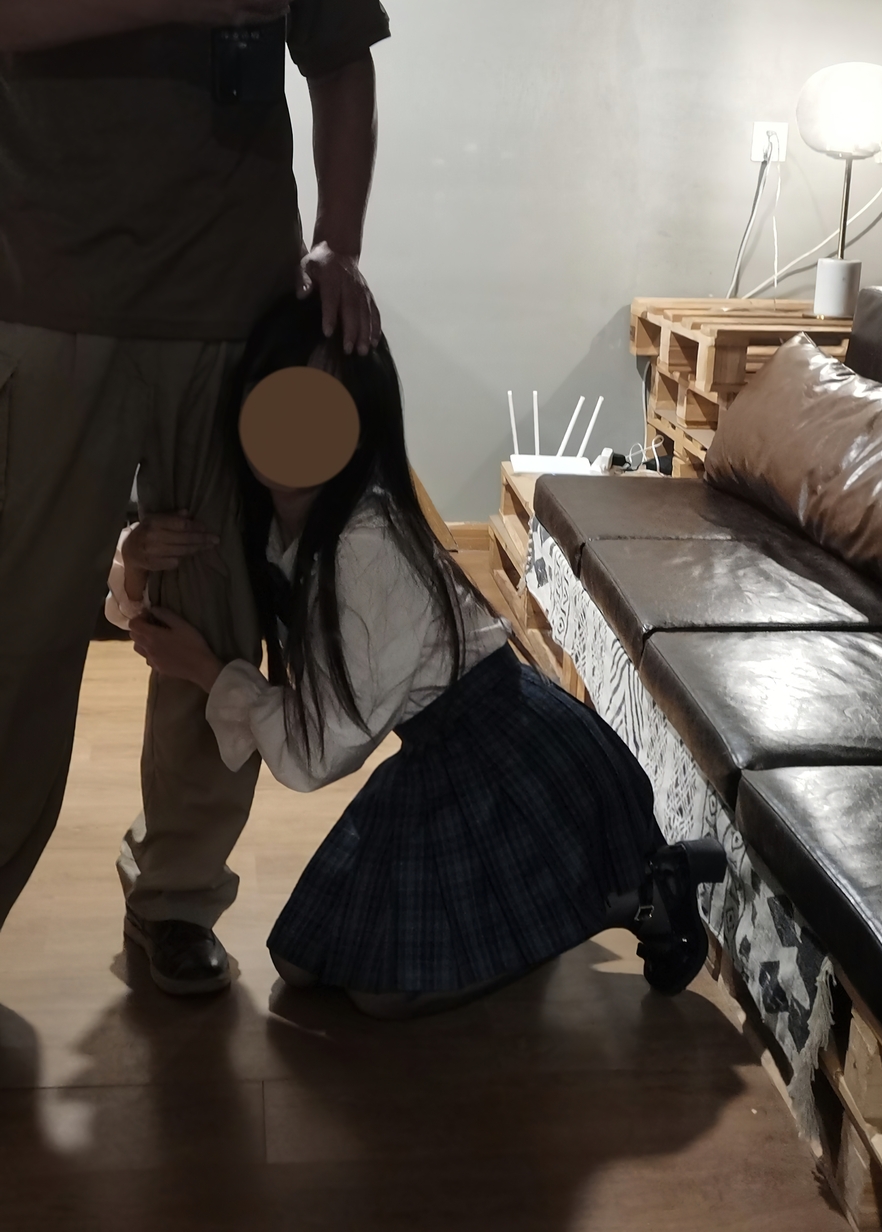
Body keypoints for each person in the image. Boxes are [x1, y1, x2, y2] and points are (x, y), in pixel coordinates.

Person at [123, 295, 727, 1015]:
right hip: (440, 757)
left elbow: (317, 756)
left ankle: (638, 888)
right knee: (301, 962)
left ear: (359, 425)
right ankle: (561, 896)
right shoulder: (267, 517)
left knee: (380, 996)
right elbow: (138, 610)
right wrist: (136, 554)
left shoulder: (366, 546)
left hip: (517, 760)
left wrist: (206, 670)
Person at [0, 0, 389, 992]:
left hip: (236, 301)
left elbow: (340, 54)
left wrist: (337, 243)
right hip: (42, 290)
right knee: (19, 630)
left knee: (216, 615)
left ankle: (176, 898)